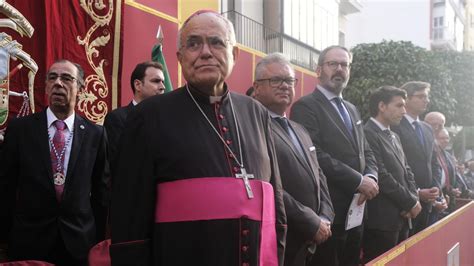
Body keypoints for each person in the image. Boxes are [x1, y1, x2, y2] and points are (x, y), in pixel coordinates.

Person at [109, 10, 286, 266]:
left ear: (234, 55)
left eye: (216, 42)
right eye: (193, 44)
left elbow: (275, 205)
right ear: (180, 58)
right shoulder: (149, 116)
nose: (205, 52)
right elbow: (130, 220)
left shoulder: (256, 112)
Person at [0, 59, 110, 265]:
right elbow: (6, 187)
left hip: (79, 244)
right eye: (53, 78)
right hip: (29, 243)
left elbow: (101, 194)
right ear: (47, 86)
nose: (58, 83)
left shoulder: (96, 134)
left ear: (81, 88)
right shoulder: (20, 130)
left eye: (67, 78)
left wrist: (97, 241)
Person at [290, 45, 379, 266]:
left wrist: (372, 178)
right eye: (333, 64)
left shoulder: (352, 109)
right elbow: (314, 155)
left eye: (344, 65)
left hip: (358, 210)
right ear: (318, 70)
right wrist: (358, 181)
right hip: (330, 211)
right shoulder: (305, 107)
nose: (339, 69)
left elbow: (366, 150)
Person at [253, 53, 334, 266]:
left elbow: (318, 174)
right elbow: (268, 184)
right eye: (275, 80)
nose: (284, 86)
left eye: (289, 80)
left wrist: (325, 217)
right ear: (257, 87)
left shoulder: (300, 129)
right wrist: (309, 221)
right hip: (283, 238)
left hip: (315, 238)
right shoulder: (253, 128)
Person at [362, 86, 421, 262]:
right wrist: (410, 202)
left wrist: (413, 199)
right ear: (382, 106)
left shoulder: (394, 135)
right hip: (381, 221)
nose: (404, 111)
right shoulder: (367, 133)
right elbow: (381, 174)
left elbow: (406, 169)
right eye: (399, 106)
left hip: (402, 216)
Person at [392, 81, 441, 234]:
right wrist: (417, 192)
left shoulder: (427, 128)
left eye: (427, 97)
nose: (426, 100)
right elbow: (395, 166)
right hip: (405, 204)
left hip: (428, 203)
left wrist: (436, 188)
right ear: (406, 99)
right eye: (421, 96)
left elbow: (434, 162)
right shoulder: (395, 126)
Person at [104, 61, 166, 170]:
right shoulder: (117, 118)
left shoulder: (166, 120)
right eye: (156, 81)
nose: (162, 87)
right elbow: (116, 163)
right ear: (138, 85)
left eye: (163, 82)